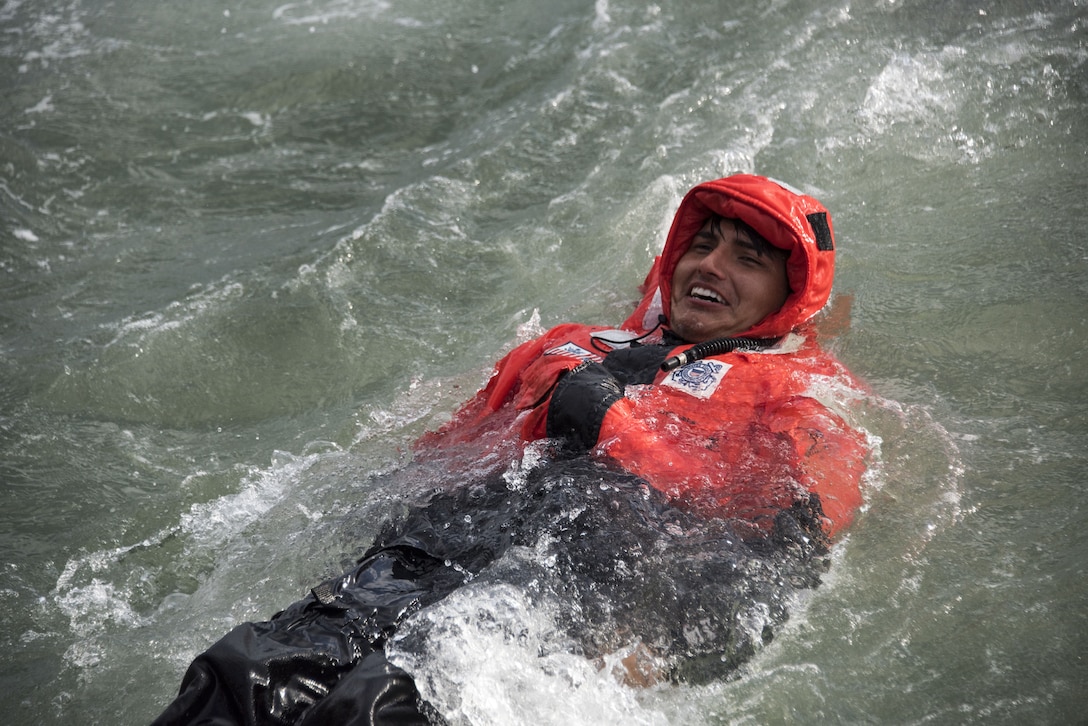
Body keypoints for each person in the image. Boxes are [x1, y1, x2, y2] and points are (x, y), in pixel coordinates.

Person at [151, 174, 870, 725]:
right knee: (245, 673)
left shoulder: (801, 396)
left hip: (583, 573)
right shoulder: (565, 345)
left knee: (382, 703)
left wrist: (617, 429)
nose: (712, 266)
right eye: (703, 244)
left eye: (747, 258)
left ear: (787, 298)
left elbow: (789, 534)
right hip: (447, 538)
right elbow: (442, 451)